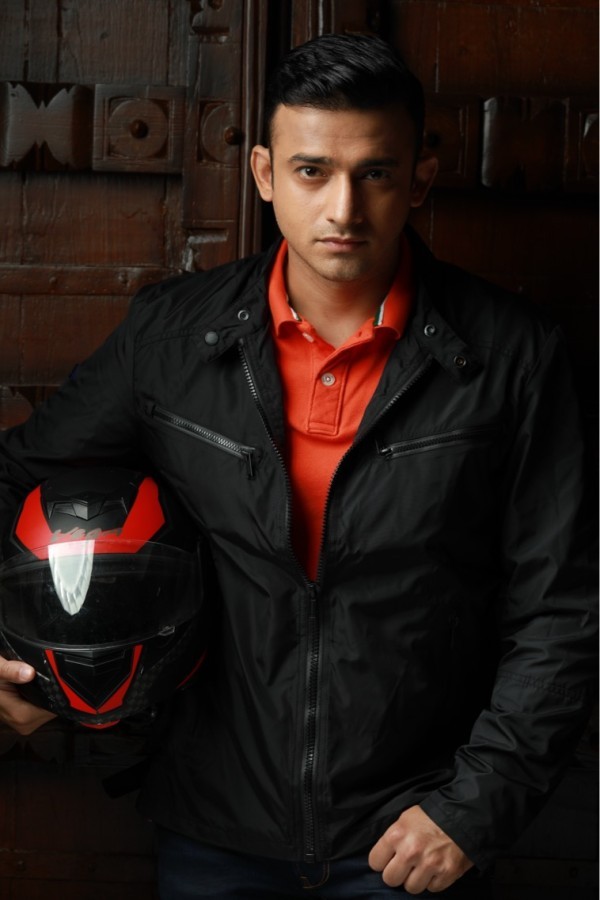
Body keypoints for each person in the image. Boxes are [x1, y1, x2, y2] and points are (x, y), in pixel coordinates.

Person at [0, 32, 595, 899]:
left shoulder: (515, 358)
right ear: (265, 173)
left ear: (419, 177)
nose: (343, 209)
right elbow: (16, 478)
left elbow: (565, 609)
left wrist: (475, 809)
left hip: (410, 839)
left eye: (375, 173)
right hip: (214, 828)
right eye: (313, 171)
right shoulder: (169, 339)